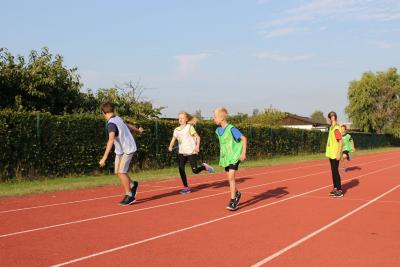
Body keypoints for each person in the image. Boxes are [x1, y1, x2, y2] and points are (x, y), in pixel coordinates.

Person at [99, 101, 144, 206]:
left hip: (127, 149)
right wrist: (138, 130)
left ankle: (130, 195)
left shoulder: (111, 124)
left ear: (103, 112)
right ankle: (133, 184)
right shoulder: (117, 118)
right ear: (113, 110)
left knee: (121, 172)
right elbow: (128, 126)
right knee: (117, 171)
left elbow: (110, 140)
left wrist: (104, 158)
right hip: (120, 150)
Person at [168, 112, 215, 194]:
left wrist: (197, 146)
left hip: (191, 152)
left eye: (182, 118)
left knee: (195, 170)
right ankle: (186, 187)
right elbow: (173, 139)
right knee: (181, 168)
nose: (180, 119)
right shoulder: (176, 130)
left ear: (186, 119)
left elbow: (198, 137)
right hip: (182, 152)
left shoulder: (190, 127)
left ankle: (204, 167)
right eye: (179, 118)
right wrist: (170, 146)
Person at [214, 107, 247, 210]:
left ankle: (233, 201)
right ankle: (237, 193)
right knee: (229, 178)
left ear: (222, 118)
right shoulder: (218, 131)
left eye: (215, 117)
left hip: (234, 156)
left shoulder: (231, 129)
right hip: (225, 158)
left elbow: (244, 138)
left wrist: (243, 153)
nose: (213, 119)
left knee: (231, 177)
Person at [326, 111, 344, 198]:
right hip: (331, 153)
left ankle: (340, 190)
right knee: (333, 171)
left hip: (335, 153)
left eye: (329, 117)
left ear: (331, 118)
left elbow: (340, 141)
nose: (329, 119)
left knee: (335, 171)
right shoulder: (331, 128)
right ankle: (335, 188)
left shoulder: (336, 128)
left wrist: (338, 154)